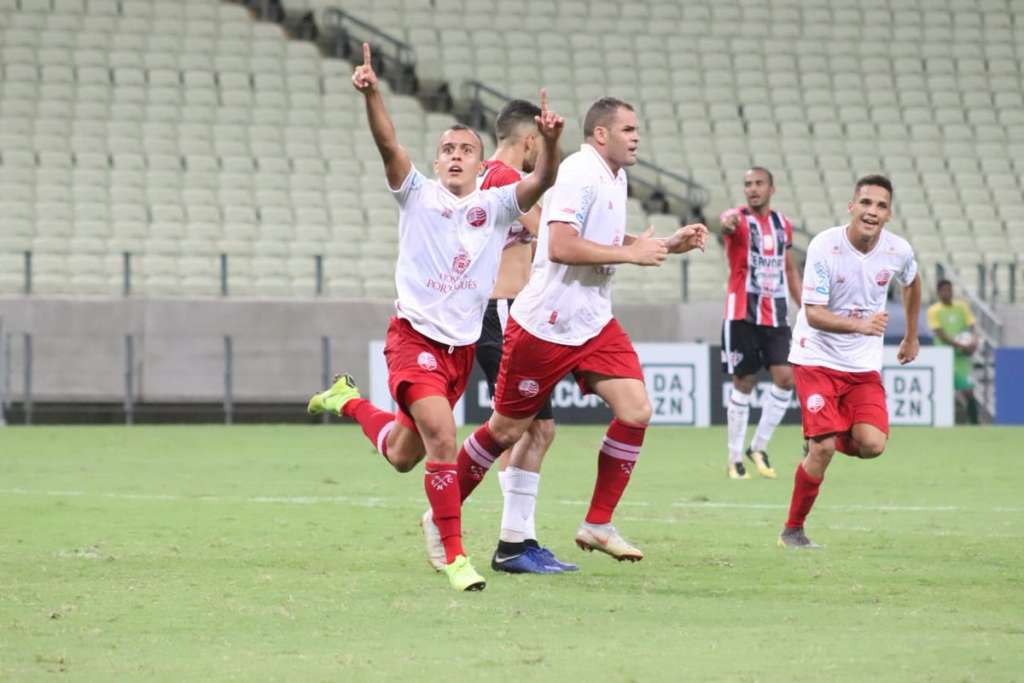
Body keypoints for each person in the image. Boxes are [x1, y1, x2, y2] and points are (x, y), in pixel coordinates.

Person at [305, 44, 564, 592]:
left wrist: (553, 143)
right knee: (444, 439)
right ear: (437, 156)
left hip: (459, 350)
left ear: (479, 162)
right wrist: (373, 93)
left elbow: (540, 182)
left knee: (403, 455)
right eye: (445, 148)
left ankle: (345, 398)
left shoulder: (495, 206)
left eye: (464, 150)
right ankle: (456, 557)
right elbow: (387, 143)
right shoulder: (416, 194)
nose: (453, 155)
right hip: (412, 340)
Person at [447, 97, 708, 563]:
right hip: (540, 320)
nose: (637, 136)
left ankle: (594, 523)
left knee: (634, 410)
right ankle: (449, 516)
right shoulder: (574, 173)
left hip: (591, 320)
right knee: (510, 430)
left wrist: (665, 244)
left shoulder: (614, 176)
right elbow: (561, 242)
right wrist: (633, 254)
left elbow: (594, 238)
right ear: (601, 134)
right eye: (628, 129)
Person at [420, 99, 576, 575]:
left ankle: (516, 540)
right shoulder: (508, 179)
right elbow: (549, 236)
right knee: (526, 428)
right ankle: (465, 521)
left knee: (524, 429)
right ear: (529, 141)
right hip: (504, 312)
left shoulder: (481, 174)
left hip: (488, 311)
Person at [780, 174, 921, 549]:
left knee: (873, 444)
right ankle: (793, 530)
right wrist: (861, 325)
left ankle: (816, 437)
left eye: (881, 206)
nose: (872, 211)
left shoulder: (898, 250)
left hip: (862, 367)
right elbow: (813, 313)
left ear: (889, 214)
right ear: (852, 206)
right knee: (824, 450)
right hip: (816, 356)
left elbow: (912, 281)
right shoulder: (825, 246)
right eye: (866, 203)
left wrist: (911, 334)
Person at [719, 167, 803, 480]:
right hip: (742, 312)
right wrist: (726, 223)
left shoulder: (783, 225)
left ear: (772, 188)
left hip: (776, 313)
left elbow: (790, 270)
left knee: (785, 379)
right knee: (744, 381)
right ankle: (734, 458)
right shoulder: (738, 218)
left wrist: (804, 308)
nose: (752, 189)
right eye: (747, 185)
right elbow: (726, 222)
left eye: (758, 184)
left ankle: (759, 446)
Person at [927, 279, 979, 424]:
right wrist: (961, 345)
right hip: (943, 356)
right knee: (944, 391)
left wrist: (973, 342)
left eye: (949, 290)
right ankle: (944, 423)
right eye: (944, 290)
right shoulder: (934, 310)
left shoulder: (962, 307)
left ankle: (975, 425)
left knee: (968, 391)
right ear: (938, 293)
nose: (947, 293)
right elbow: (940, 333)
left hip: (961, 357)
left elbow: (972, 326)